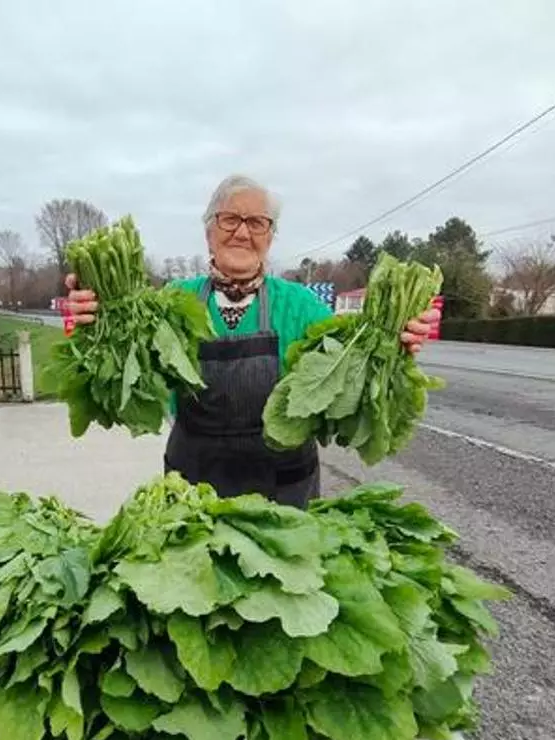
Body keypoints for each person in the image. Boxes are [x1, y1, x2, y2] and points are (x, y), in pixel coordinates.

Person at [66, 174, 439, 508]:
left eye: (257, 223)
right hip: (193, 485)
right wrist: (98, 316)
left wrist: (399, 337)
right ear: (209, 232)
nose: (242, 233)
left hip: (284, 489)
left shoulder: (301, 305)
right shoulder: (171, 302)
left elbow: (351, 378)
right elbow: (124, 386)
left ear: (270, 237)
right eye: (230, 219)